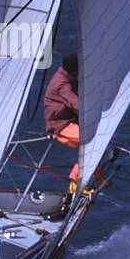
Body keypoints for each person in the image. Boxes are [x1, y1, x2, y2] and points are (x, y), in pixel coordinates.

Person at [44, 52, 81, 183]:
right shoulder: (62, 84)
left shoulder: (67, 78)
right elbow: (75, 103)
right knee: (91, 142)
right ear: (75, 70)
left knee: (95, 144)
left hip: (69, 122)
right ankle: (75, 180)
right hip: (61, 126)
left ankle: (97, 179)